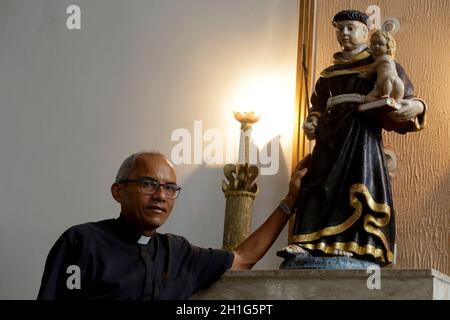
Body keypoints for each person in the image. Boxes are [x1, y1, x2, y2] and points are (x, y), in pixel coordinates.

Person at [37, 151, 310, 299]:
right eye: (148, 184)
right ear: (118, 192)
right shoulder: (82, 241)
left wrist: (290, 201)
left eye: (170, 188)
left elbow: (244, 258)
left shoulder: (178, 252)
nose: (161, 196)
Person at [278, 10, 427, 265]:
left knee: (357, 187)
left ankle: (356, 244)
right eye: (340, 28)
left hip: (361, 141)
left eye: (350, 28)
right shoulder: (328, 74)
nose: (344, 33)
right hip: (329, 139)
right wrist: (312, 120)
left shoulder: (380, 61)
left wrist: (418, 107)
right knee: (317, 187)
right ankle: (311, 241)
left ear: (364, 31)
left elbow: (406, 97)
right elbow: (317, 106)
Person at [365, 30, 404, 102]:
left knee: (389, 80)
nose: (376, 46)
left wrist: (366, 74)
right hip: (381, 87)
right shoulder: (375, 58)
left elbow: (372, 68)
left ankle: (387, 95)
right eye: (374, 43)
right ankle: (377, 101)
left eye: (380, 44)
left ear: (388, 47)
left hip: (392, 82)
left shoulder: (385, 57)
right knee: (368, 97)